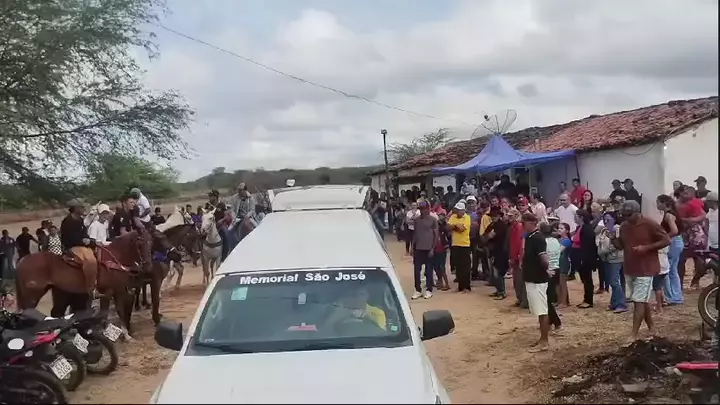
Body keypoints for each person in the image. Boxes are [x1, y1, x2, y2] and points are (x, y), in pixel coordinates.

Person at [617, 200, 670, 340]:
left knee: (638, 301)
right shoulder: (624, 226)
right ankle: (652, 327)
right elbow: (621, 245)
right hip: (630, 267)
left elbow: (666, 240)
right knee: (641, 299)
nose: (626, 218)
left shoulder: (649, 223)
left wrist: (646, 248)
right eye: (624, 215)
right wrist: (613, 240)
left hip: (646, 268)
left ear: (637, 212)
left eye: (628, 215)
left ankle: (633, 334)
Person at [521, 213, 559, 352]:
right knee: (539, 310)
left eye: (524, 222)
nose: (522, 225)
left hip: (538, 279)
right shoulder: (531, 237)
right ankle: (542, 339)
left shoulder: (537, 238)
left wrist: (546, 269)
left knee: (542, 311)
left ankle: (544, 341)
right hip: (532, 278)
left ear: (531, 222)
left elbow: (544, 259)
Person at [59, 199, 98, 314]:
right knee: (90, 260)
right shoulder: (67, 221)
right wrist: (84, 241)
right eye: (81, 207)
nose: (83, 209)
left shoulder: (80, 220)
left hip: (81, 245)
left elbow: (84, 234)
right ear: (75, 208)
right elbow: (68, 239)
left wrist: (90, 241)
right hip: (72, 247)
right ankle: (91, 289)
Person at [677, 185, 708, 289]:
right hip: (683, 234)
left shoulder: (694, 203)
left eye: (689, 192)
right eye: (686, 193)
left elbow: (703, 215)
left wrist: (691, 220)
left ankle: (695, 281)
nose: (689, 195)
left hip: (694, 233)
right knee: (681, 260)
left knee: (699, 258)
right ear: (680, 193)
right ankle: (680, 284)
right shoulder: (676, 205)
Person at [596, 213, 628, 313]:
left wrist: (604, 251)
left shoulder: (617, 229)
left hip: (616, 258)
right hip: (607, 259)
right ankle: (615, 302)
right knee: (615, 282)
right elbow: (600, 242)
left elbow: (619, 245)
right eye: (604, 219)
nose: (606, 221)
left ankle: (621, 304)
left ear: (614, 219)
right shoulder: (604, 230)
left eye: (608, 219)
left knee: (614, 282)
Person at [656, 194, 684, 305]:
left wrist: (665, 238)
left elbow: (674, 230)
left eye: (658, 202)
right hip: (677, 241)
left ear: (664, 203)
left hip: (673, 242)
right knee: (673, 270)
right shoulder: (672, 213)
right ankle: (675, 296)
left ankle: (672, 297)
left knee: (669, 270)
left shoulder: (668, 215)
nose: (657, 205)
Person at [411, 201, 439, 300]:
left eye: (424, 208)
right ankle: (418, 290)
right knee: (416, 270)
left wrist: (432, 248)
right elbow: (415, 234)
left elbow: (436, 235)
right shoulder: (417, 220)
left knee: (428, 270)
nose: (422, 210)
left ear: (428, 209)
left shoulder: (433, 220)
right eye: (421, 209)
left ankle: (429, 290)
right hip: (418, 248)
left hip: (428, 248)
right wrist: (412, 247)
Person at [573, 209, 597, 309]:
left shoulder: (587, 228)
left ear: (581, 217)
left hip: (585, 258)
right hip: (579, 256)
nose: (574, 217)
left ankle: (588, 300)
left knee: (587, 279)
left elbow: (588, 246)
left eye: (576, 215)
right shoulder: (579, 227)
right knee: (584, 279)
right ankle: (586, 298)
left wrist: (584, 259)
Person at [448, 202, 472, 293]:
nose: (456, 211)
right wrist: (456, 226)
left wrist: (453, 226)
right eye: (456, 210)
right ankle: (461, 287)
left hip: (465, 245)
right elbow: (447, 227)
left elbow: (462, 229)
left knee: (465, 267)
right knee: (458, 266)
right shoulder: (453, 216)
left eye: (458, 210)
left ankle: (467, 287)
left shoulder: (467, 217)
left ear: (462, 211)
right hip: (455, 244)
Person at [485, 207, 509, 299]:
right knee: (494, 272)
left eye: (495, 215)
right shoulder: (492, 225)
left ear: (499, 216)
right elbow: (486, 235)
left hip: (501, 251)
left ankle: (502, 292)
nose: (493, 217)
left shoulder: (502, 225)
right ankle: (499, 290)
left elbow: (492, 236)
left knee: (498, 272)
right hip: (493, 251)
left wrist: (490, 236)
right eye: (492, 216)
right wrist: (489, 236)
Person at [507, 209, 527, 308]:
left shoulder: (519, 227)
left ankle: (523, 300)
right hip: (514, 256)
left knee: (520, 279)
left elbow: (519, 244)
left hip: (518, 257)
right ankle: (520, 298)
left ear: (516, 216)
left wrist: (518, 257)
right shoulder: (513, 227)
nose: (509, 218)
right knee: (516, 280)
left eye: (511, 216)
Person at [432, 211, 451, 291]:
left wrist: (447, 245)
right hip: (435, 248)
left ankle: (446, 283)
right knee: (436, 266)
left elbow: (449, 237)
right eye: (440, 215)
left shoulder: (446, 226)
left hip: (442, 248)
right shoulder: (435, 225)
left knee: (441, 267)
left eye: (442, 215)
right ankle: (440, 282)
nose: (441, 217)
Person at [555, 223, 572, 307]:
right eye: (558, 228)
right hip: (557, 262)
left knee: (562, 283)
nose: (559, 230)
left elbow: (558, 250)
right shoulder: (559, 240)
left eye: (561, 228)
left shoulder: (567, 241)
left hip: (563, 263)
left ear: (567, 231)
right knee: (557, 283)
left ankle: (564, 302)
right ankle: (559, 300)